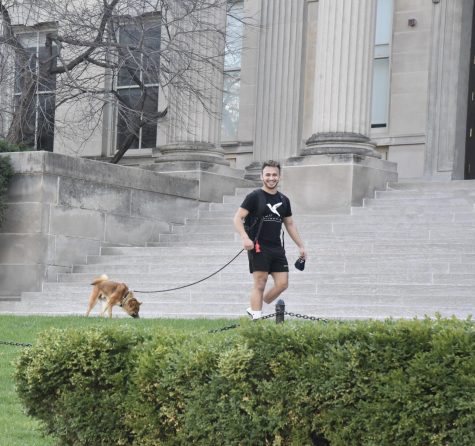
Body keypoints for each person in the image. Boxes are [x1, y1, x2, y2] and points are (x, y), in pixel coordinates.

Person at [233, 160, 307, 319]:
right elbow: (237, 218)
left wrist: (301, 246)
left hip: (276, 248)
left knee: (282, 284)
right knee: (260, 283)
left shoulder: (284, 200)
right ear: (262, 176)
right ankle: (256, 318)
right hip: (258, 246)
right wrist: (245, 238)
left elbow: (290, 223)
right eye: (268, 175)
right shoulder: (254, 197)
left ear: (279, 177)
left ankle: (254, 306)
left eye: (274, 175)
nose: (271, 178)